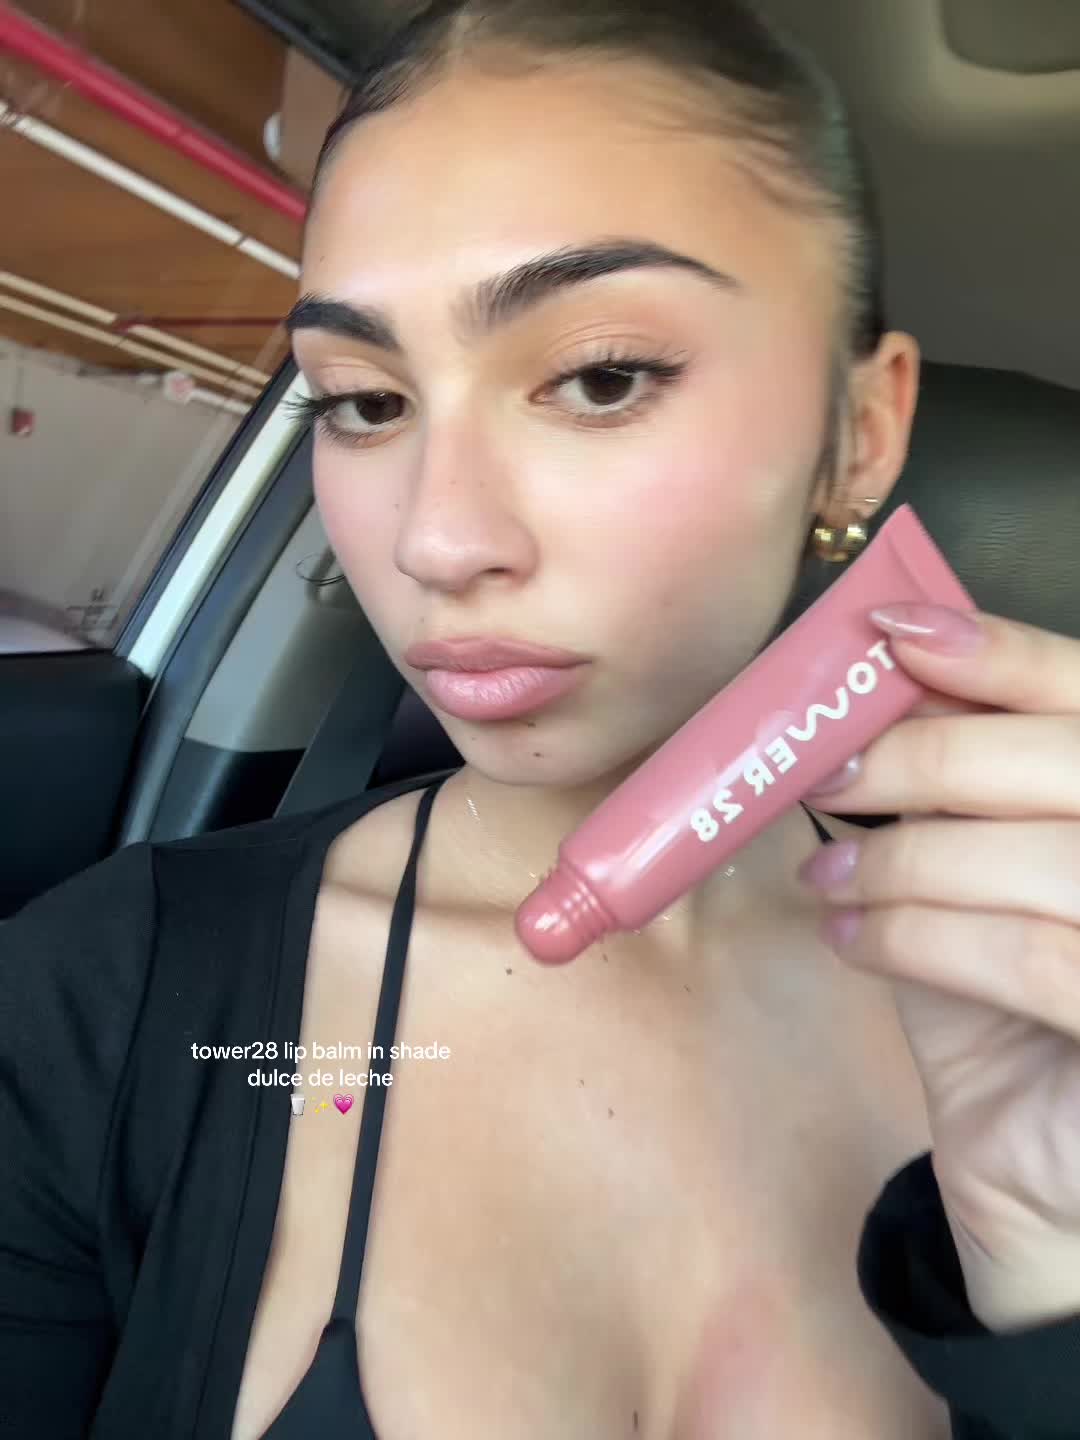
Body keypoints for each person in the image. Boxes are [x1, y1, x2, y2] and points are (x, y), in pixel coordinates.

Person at [3, 2, 1080, 1437]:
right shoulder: (101, 1001)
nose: (437, 540)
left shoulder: (1038, 992)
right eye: (364, 402)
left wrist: (1051, 1274)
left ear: (859, 436)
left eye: (601, 376)